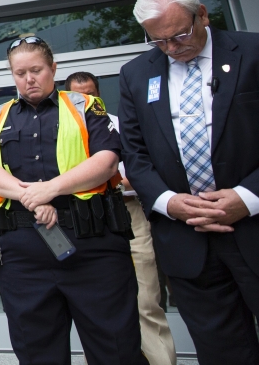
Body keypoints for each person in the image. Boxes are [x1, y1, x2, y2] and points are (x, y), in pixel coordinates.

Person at [0, 37, 144, 364]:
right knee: (37, 353)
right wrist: (30, 195)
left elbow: (107, 160)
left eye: (36, 70)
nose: (29, 79)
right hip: (24, 255)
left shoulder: (85, 106)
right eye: (19, 72)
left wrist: (50, 189)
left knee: (116, 350)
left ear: (53, 68)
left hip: (93, 246)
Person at [119, 0, 259, 363]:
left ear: (202, 15)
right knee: (223, 350)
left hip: (252, 224)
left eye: (179, 35)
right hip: (187, 239)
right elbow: (135, 154)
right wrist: (169, 203)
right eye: (158, 40)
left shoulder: (252, 51)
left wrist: (247, 198)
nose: (171, 47)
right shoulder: (135, 75)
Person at [65, 70, 175, 365]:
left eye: (91, 93)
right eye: (79, 95)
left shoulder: (117, 125)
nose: (87, 99)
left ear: (99, 92)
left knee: (146, 298)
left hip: (127, 212)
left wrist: (101, 178)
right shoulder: (62, 129)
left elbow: (139, 174)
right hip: (82, 219)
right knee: (98, 304)